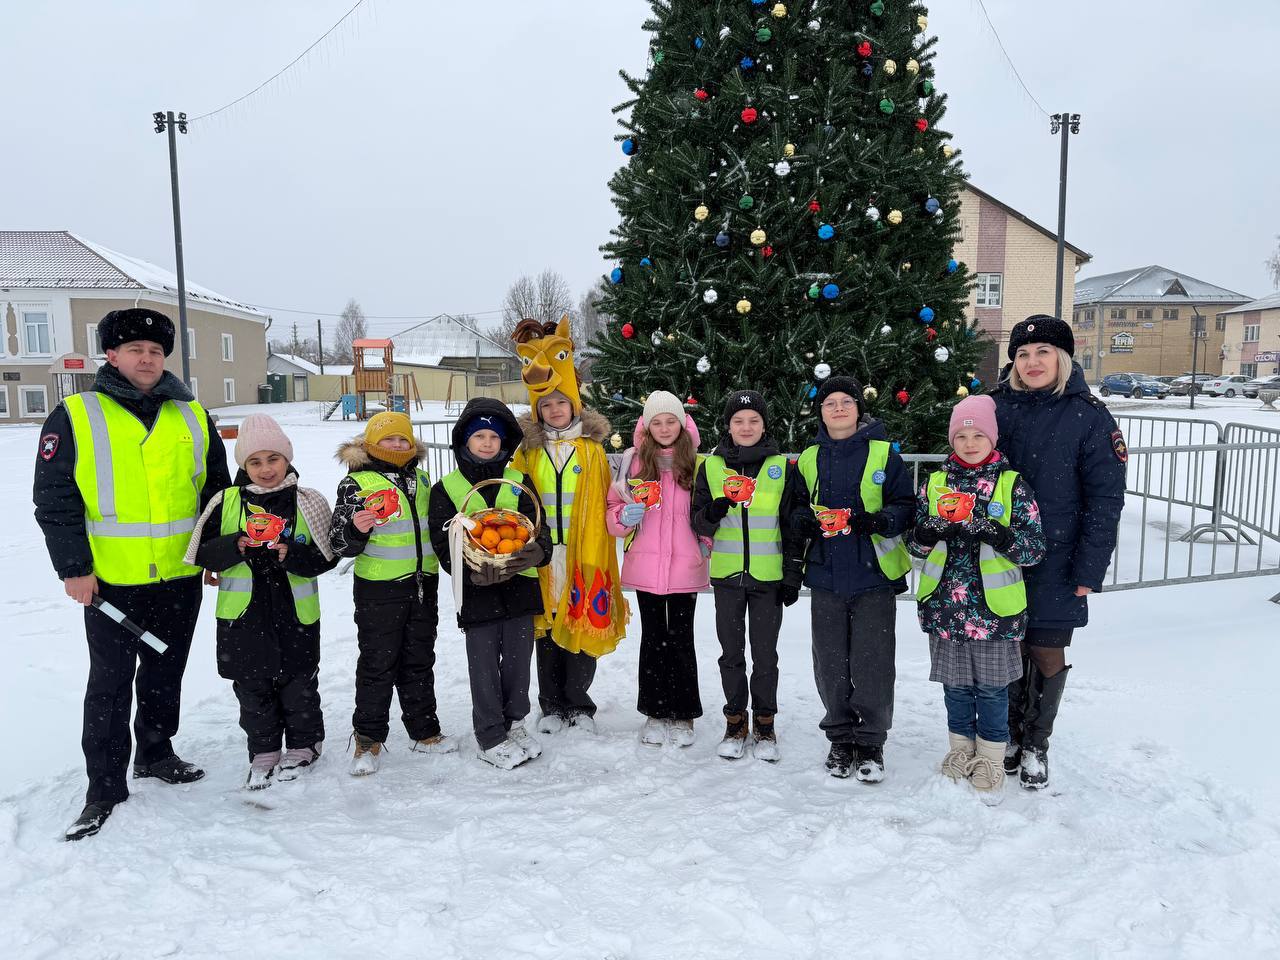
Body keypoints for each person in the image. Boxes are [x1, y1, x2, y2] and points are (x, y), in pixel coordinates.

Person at [33, 308, 231, 841]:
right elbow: (54, 500)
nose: (146, 359)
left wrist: (212, 555)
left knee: (166, 672)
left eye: (155, 351)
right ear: (112, 355)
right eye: (135, 350)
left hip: (178, 576)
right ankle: (104, 786)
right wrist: (74, 569)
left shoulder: (192, 415)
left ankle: (156, 753)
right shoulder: (76, 414)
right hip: (111, 582)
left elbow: (217, 494)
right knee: (110, 684)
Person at [989, 315, 1126, 789]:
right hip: (999, 557)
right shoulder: (994, 407)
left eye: (1043, 352)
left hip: (1059, 558)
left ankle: (1036, 743)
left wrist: (1090, 567)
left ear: (1063, 358)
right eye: (1023, 354)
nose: (1032, 362)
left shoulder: (1089, 416)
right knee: (1007, 649)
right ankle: (1008, 734)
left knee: (1047, 650)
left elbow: (1105, 500)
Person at [186, 414, 338, 790]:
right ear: (243, 464)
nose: (266, 469)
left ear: (287, 459)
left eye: (273, 459)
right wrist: (232, 546)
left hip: (295, 614)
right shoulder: (226, 501)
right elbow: (201, 552)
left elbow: (327, 556)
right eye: (255, 461)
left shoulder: (307, 501)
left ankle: (304, 744)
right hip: (243, 617)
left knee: (298, 685)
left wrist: (293, 555)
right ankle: (264, 749)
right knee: (252, 689)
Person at [907, 395, 1046, 803]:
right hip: (945, 609)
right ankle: (961, 749)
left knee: (991, 689)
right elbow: (914, 545)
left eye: (978, 436)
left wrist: (999, 535)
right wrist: (926, 534)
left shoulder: (1011, 484)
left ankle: (990, 757)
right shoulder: (935, 483)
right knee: (955, 687)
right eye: (962, 436)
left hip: (994, 613)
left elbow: (1034, 550)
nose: (969, 444)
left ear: (992, 439)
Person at [790, 375, 914, 782]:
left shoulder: (884, 453)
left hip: (874, 575)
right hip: (825, 575)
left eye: (847, 401)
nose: (839, 408)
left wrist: (879, 520)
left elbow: (905, 504)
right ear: (821, 412)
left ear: (859, 409)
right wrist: (803, 521)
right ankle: (840, 738)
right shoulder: (808, 458)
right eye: (830, 403)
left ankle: (872, 741)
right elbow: (795, 507)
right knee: (830, 663)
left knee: (872, 662)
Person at [511, 317, 629, 734]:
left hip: (584, 551)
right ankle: (552, 706)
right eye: (546, 406)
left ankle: (579, 705)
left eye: (561, 402)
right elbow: (517, 499)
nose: (555, 410)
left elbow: (608, 498)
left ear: (574, 403)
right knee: (547, 630)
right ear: (538, 410)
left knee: (581, 624)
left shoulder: (592, 450)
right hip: (543, 554)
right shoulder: (528, 452)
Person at [428, 399, 551, 769]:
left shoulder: (518, 482)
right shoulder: (447, 489)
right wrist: (469, 572)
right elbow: (443, 543)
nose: (486, 442)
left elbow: (539, 527)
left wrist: (538, 552)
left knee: (518, 664)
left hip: (520, 587)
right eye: (478, 435)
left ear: (504, 442)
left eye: (494, 437)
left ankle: (515, 723)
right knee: (483, 666)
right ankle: (490, 735)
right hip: (477, 592)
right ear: (464, 441)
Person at [331, 411, 456, 775]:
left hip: (423, 584)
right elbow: (339, 543)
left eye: (404, 439)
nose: (398, 445)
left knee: (419, 660)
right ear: (371, 443)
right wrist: (355, 529)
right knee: (377, 664)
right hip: (378, 589)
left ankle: (424, 731)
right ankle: (368, 739)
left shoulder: (423, 479)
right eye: (389, 439)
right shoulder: (356, 482)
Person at [690, 390, 805, 762]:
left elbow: (791, 526)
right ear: (728, 426)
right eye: (738, 421)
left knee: (766, 656)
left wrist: (792, 573)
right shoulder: (710, 467)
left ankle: (765, 724)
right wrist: (714, 510)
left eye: (754, 420)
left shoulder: (781, 467)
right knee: (731, 655)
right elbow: (697, 522)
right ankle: (735, 721)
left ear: (764, 425)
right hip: (727, 577)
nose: (746, 427)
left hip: (768, 578)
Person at [606, 391, 709, 747]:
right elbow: (612, 509)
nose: (664, 428)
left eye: (671, 421)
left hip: (685, 566)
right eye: (657, 422)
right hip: (647, 566)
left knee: (681, 638)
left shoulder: (697, 463)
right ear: (647, 427)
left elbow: (709, 511)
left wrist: (704, 542)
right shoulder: (632, 461)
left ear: (682, 424)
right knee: (652, 638)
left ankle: (683, 712)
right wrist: (623, 515)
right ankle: (654, 710)